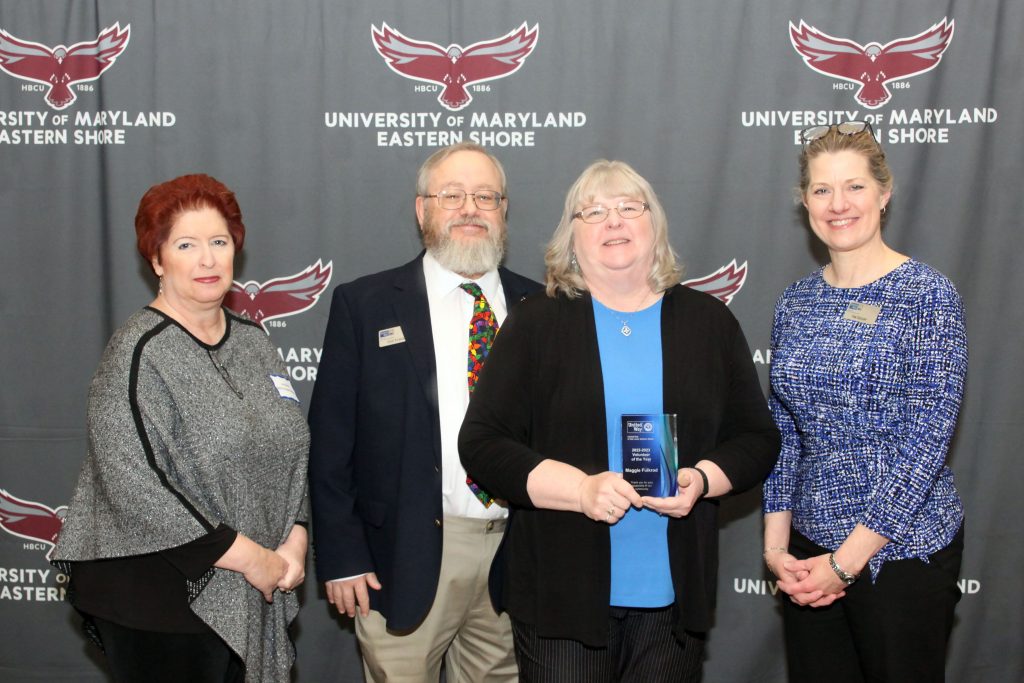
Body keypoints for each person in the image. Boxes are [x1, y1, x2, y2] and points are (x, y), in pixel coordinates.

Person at [458, 159, 780, 682]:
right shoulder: (535, 323)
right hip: (560, 592)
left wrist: (699, 480)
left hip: (674, 597)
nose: (614, 221)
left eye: (630, 208)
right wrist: (580, 490)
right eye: (595, 211)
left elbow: (757, 438)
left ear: (655, 227)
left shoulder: (707, 322)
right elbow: (483, 443)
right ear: (571, 236)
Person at [51, 174, 310, 683]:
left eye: (219, 242)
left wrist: (296, 539)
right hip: (160, 600)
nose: (208, 260)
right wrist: (250, 558)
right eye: (186, 245)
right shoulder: (136, 353)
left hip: (254, 583)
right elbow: (134, 487)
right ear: (157, 260)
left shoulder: (254, 341)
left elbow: (290, 448)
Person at [308, 142, 541, 682]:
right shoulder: (364, 305)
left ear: (504, 211)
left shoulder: (542, 305)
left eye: (486, 196)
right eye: (452, 195)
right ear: (422, 209)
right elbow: (331, 443)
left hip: (516, 553)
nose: (470, 208)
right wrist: (343, 554)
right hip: (404, 553)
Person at [762, 121, 967, 683]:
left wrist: (846, 564)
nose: (838, 204)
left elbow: (927, 442)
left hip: (900, 554)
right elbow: (783, 431)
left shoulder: (926, 295)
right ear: (805, 201)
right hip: (807, 554)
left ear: (884, 192)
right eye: (822, 190)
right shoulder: (796, 302)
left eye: (854, 186)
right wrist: (776, 548)